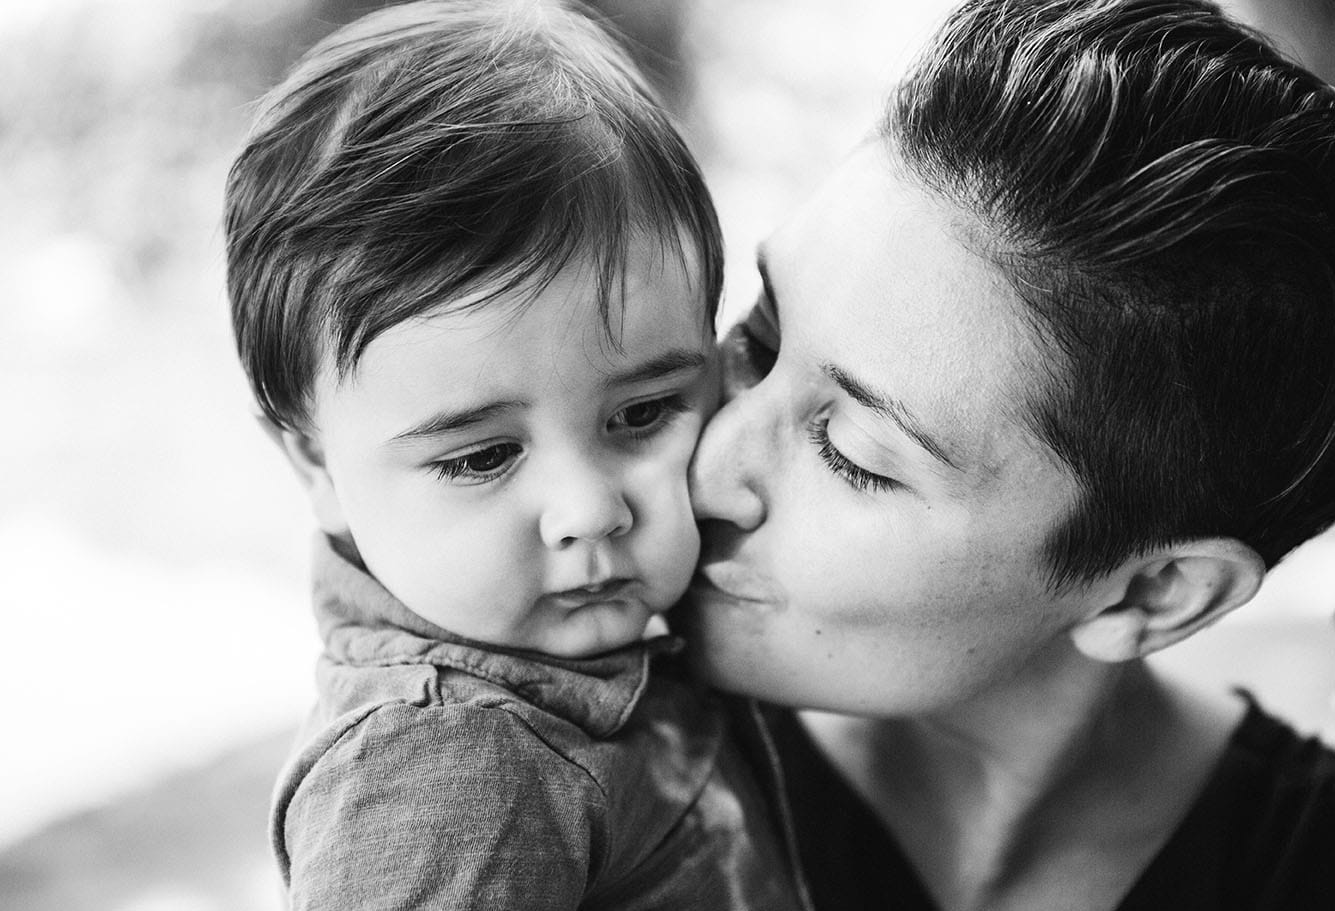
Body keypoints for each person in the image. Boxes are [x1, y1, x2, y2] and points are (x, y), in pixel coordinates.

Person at [680, 0, 1335, 909]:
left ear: (1155, 593)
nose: (704, 465)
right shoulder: (541, 733)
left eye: (854, 454)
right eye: (759, 331)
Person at [222, 1, 807, 908]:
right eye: (481, 457)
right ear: (315, 466)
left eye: (644, 411)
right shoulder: (450, 772)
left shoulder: (589, 669)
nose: (590, 510)